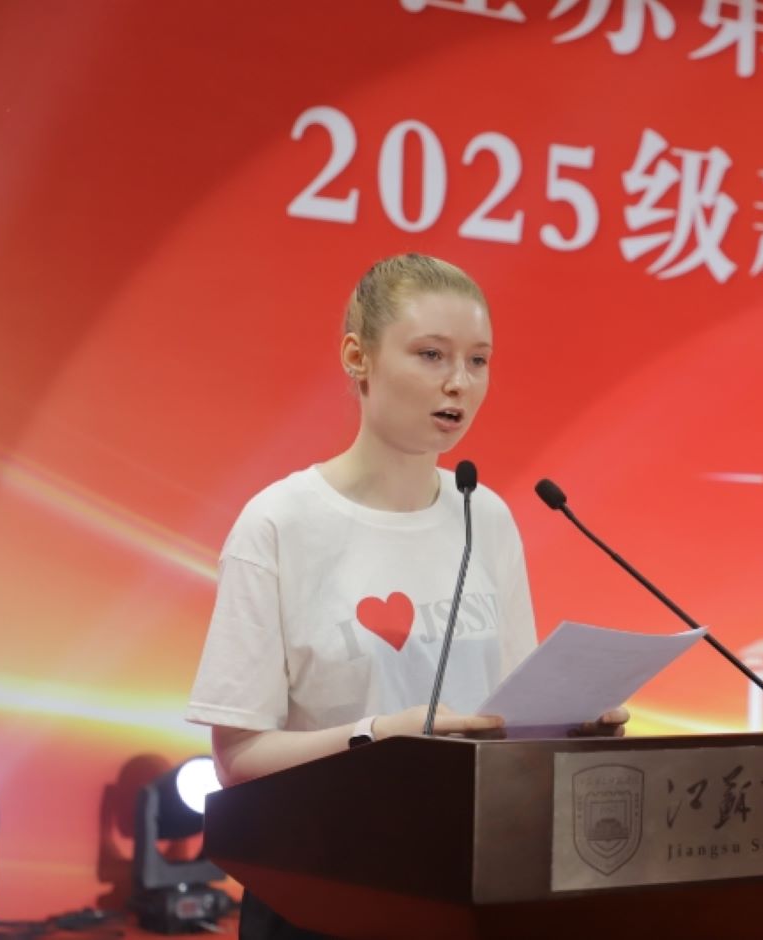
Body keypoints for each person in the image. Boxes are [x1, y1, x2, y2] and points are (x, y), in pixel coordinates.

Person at [185, 254, 626, 938]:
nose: (458, 383)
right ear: (357, 357)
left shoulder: (486, 515)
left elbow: (507, 721)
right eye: (431, 355)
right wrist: (381, 736)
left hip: (471, 881)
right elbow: (237, 759)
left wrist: (570, 728)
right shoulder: (279, 523)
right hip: (322, 889)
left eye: (478, 361)